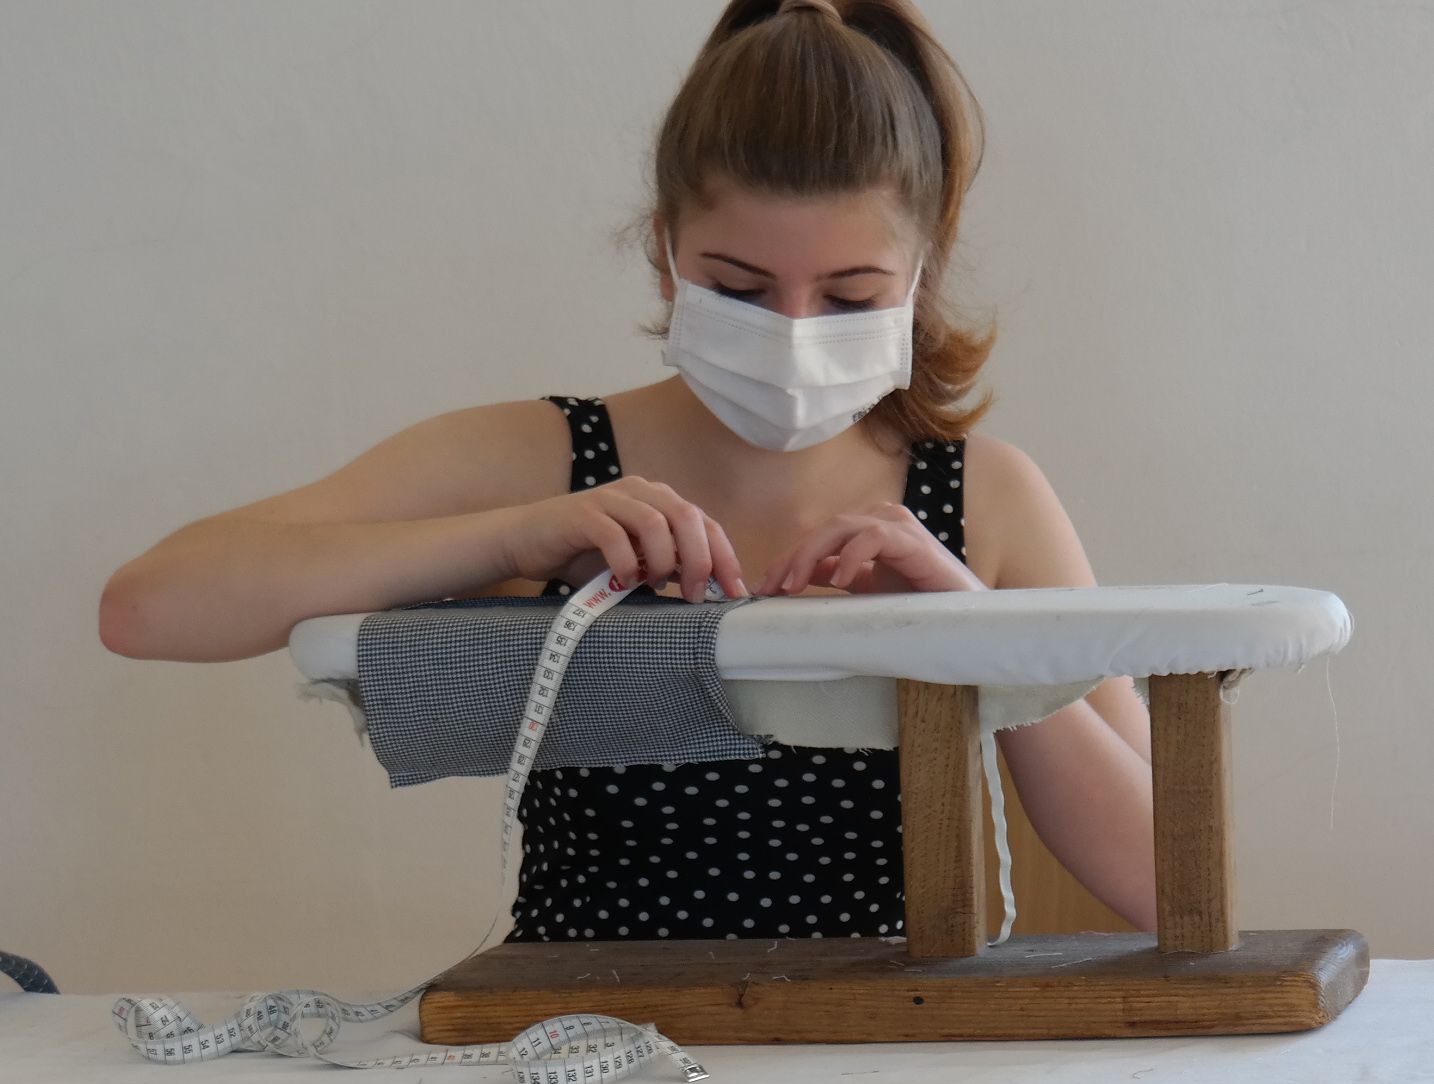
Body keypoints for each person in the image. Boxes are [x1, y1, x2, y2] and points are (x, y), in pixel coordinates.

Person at [99, 0, 1157, 941]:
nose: (792, 334)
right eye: (738, 289)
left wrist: (973, 636)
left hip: (879, 1047)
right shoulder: (545, 460)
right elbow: (148, 608)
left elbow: (1164, 881)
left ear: (920, 276)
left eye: (849, 298)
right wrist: (513, 535)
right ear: (664, 253)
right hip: (580, 1042)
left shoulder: (983, 499)